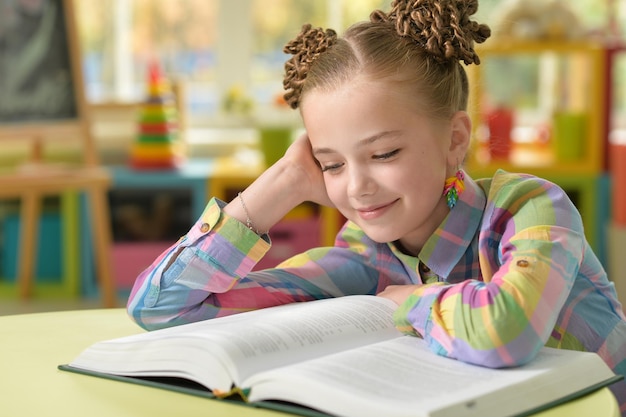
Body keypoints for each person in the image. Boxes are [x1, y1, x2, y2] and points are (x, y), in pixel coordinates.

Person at [127, 0, 626, 411]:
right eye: (332, 164)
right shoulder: (365, 257)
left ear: (455, 139)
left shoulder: (532, 210)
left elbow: (505, 333)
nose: (358, 188)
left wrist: (401, 303)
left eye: (384, 153)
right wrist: (279, 183)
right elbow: (161, 308)